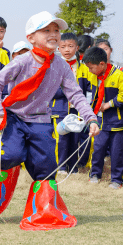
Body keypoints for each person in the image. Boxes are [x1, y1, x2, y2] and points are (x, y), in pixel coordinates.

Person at [0, 11, 99, 230]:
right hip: (15, 118)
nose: (53, 34)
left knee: (47, 171)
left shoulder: (61, 65)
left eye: (56, 30)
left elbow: (75, 94)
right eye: (46, 30)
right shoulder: (22, 61)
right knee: (12, 155)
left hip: (41, 121)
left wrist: (90, 118)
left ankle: (43, 213)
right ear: (31, 37)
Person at [84, 47, 123, 189]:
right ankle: (95, 174)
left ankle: (117, 180)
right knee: (98, 148)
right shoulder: (93, 76)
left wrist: (110, 104)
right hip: (100, 121)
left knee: (117, 152)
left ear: (102, 64)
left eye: (91, 67)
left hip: (117, 121)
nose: (89, 71)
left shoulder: (118, 75)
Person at [51, 33, 90, 174]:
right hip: (59, 109)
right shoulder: (53, 66)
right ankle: (60, 167)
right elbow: (51, 90)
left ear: (77, 48)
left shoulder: (83, 68)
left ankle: (73, 167)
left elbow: (88, 89)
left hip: (76, 110)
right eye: (63, 47)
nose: (67, 50)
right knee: (61, 139)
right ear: (58, 48)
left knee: (75, 140)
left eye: (70, 46)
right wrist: (69, 92)